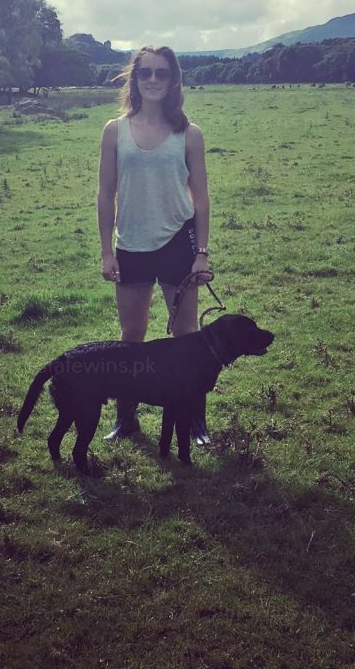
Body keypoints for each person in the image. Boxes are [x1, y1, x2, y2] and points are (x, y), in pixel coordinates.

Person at [97, 45, 214, 443]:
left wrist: (201, 254)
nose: (152, 79)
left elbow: (201, 198)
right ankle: (126, 418)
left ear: (172, 79)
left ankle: (195, 421)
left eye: (161, 73)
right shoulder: (114, 131)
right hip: (131, 244)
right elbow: (105, 193)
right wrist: (106, 251)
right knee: (132, 336)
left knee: (186, 336)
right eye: (145, 72)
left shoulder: (189, 134)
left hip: (178, 243)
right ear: (134, 79)